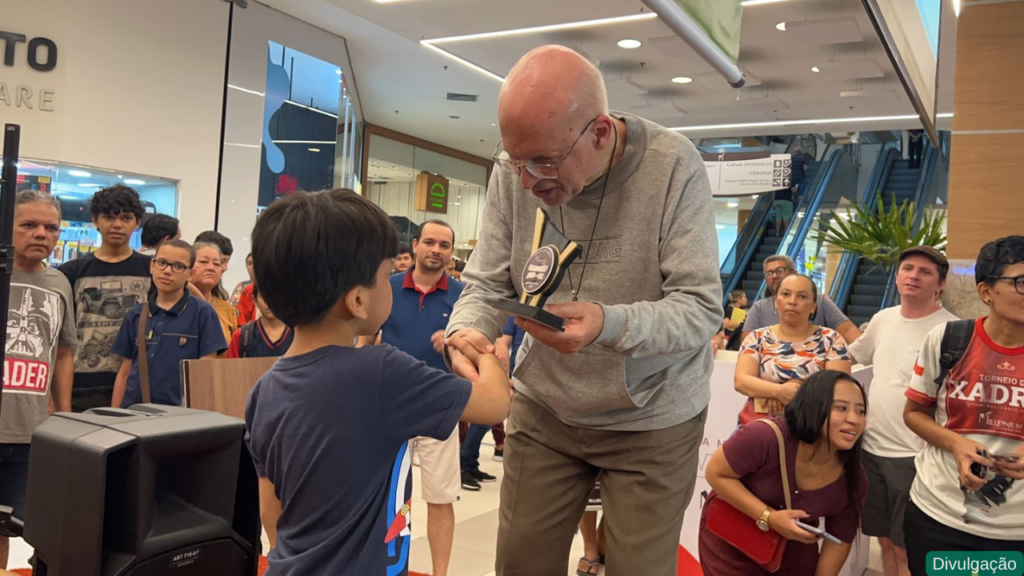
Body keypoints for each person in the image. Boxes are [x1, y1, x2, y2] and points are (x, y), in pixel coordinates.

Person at [445, 46, 721, 576]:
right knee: (520, 562)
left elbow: (700, 308)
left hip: (652, 415)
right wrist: (466, 332)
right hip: (546, 406)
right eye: (514, 160)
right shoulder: (517, 166)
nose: (528, 181)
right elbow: (485, 278)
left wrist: (608, 323)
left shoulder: (672, 164)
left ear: (598, 131)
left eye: (545, 162)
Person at [244, 189, 510, 576]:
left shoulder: (263, 390)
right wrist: (485, 348)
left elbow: (271, 510)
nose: (393, 284)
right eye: (386, 276)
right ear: (357, 301)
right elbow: (493, 404)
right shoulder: (380, 371)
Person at [902, 236, 1024, 574]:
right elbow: (914, 414)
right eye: (1021, 282)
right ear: (986, 292)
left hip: (1016, 531)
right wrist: (956, 444)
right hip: (940, 517)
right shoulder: (948, 339)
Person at [359, 220, 469, 576]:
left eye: (445, 245)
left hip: (440, 405)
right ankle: (379, 566)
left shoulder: (462, 296)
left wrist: (454, 346)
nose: (437, 250)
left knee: (440, 497)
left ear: (451, 253)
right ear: (416, 245)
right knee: (383, 496)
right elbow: (366, 339)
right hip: (387, 406)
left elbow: (474, 354)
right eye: (431, 242)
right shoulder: (386, 287)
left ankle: (440, 573)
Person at [846, 246, 956, 576]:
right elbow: (853, 357)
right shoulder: (882, 319)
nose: (914, 276)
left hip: (917, 455)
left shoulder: (952, 330)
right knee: (882, 539)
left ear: (941, 283)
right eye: (908, 268)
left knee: (908, 546)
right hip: (871, 449)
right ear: (896, 276)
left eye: (925, 272)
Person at [699, 370, 868, 576]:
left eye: (861, 411)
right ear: (814, 406)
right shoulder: (765, 437)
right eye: (841, 408)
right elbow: (716, 474)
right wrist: (769, 517)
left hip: (792, 550)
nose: (853, 419)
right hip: (733, 542)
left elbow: (839, 539)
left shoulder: (854, 477)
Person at [0, 192, 77, 570]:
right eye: (28, 225)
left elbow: (64, 352)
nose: (41, 234)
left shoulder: (59, 283)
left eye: (51, 228)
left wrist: (64, 416)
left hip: (30, 432)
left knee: (10, 527)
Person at [59, 184, 151, 412]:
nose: (117, 225)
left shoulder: (151, 269)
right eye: (109, 217)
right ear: (96, 220)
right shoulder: (72, 271)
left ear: (137, 222)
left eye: (126, 218)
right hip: (80, 382)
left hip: (134, 380)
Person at [110, 240, 226, 407]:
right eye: (162, 263)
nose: (167, 271)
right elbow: (125, 371)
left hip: (181, 417)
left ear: (190, 274)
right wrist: (114, 416)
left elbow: (206, 374)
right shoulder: (136, 313)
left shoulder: (203, 313)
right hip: (133, 414)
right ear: (152, 265)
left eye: (178, 266)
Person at [735, 274, 852, 426]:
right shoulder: (757, 337)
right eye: (785, 294)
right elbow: (741, 381)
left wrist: (789, 391)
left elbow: (838, 388)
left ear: (813, 307)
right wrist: (777, 391)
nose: (792, 301)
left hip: (812, 427)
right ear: (776, 302)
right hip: (759, 426)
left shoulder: (832, 339)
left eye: (802, 296)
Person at [743, 255, 862, 345]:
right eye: (769, 273)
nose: (774, 276)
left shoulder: (820, 301)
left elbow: (847, 330)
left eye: (780, 271)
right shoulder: (759, 307)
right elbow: (748, 343)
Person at [190, 242, 238, 345]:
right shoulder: (175, 304)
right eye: (203, 261)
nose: (211, 268)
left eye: (216, 264)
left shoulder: (227, 309)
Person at [226, 284, 293, 358]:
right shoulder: (240, 336)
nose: (269, 302)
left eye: (275, 295)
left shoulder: (300, 334)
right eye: (264, 296)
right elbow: (231, 368)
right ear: (254, 300)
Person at [231, 253, 256, 326]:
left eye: (255, 263)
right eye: (249, 263)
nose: (252, 267)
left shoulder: (269, 287)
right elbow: (233, 310)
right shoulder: (241, 286)